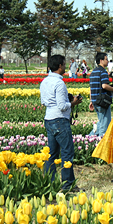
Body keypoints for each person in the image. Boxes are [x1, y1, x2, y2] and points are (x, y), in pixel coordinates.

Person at [40, 54, 83, 192]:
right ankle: (68, 184)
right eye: (64, 64)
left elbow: (44, 102)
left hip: (48, 118)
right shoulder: (59, 83)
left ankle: (50, 183)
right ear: (59, 66)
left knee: (51, 154)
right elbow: (62, 106)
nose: (65, 67)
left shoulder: (44, 81)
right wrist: (73, 102)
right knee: (67, 153)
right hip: (60, 120)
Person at [89, 52, 113, 137]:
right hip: (102, 101)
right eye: (106, 59)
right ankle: (100, 140)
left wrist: (91, 101)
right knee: (105, 124)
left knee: (101, 121)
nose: (108, 61)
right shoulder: (103, 71)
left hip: (95, 100)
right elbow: (104, 86)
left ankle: (91, 136)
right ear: (101, 60)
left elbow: (91, 88)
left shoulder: (93, 72)